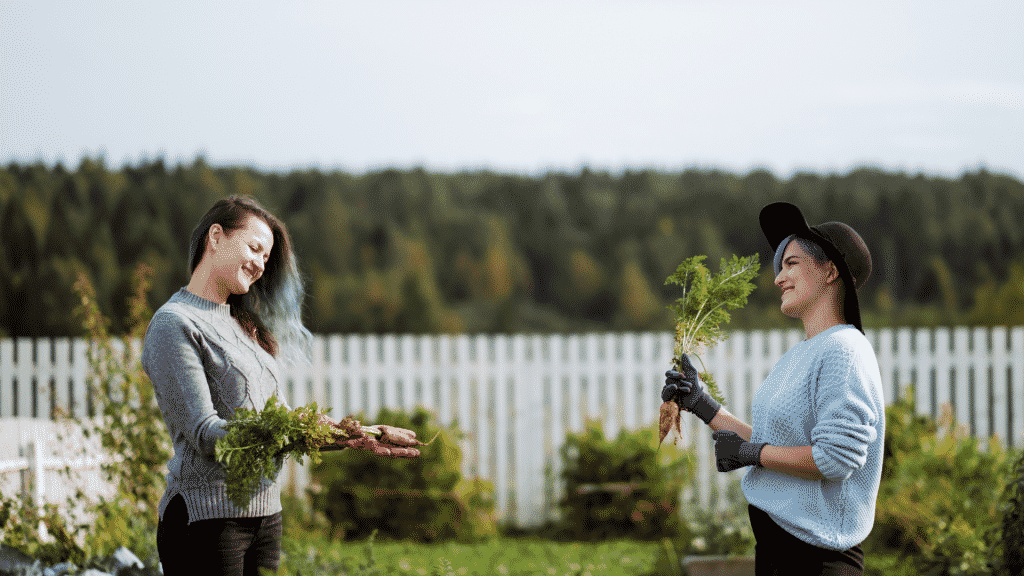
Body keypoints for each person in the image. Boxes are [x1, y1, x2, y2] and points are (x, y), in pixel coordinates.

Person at [142, 196, 419, 576]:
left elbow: (282, 419)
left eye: (266, 258)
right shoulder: (175, 324)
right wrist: (290, 429)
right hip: (206, 519)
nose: (259, 264)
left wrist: (351, 435)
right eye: (254, 248)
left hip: (265, 515)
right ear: (216, 237)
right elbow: (205, 434)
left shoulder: (244, 326)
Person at [661, 202, 885, 576]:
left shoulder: (845, 350)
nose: (779, 278)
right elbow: (771, 445)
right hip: (778, 553)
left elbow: (835, 459)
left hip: (817, 562)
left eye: (791, 264)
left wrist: (752, 453)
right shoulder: (803, 354)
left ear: (830, 271)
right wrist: (703, 404)